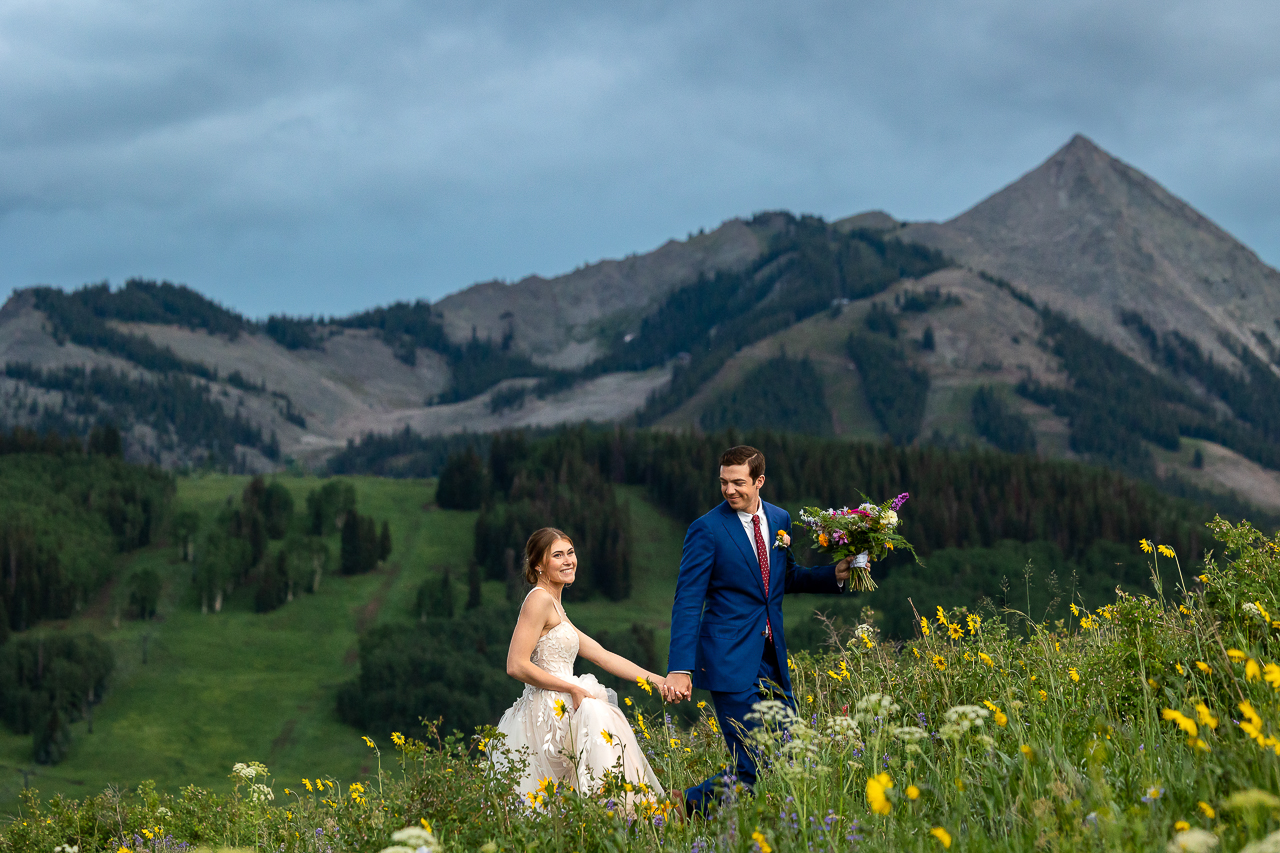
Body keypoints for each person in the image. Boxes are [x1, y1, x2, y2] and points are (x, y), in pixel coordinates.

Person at [662, 445, 855, 815]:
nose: (729, 490)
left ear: (759, 481)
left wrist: (835, 574)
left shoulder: (780, 519)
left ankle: (744, 817)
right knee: (755, 761)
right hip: (728, 661)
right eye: (723, 483)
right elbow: (688, 601)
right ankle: (680, 810)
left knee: (793, 751)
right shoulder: (706, 530)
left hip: (771, 659)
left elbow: (784, 577)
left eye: (738, 483)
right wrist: (680, 667)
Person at [493, 527, 666, 807]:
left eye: (570, 553)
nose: (568, 561)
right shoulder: (538, 599)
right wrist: (571, 687)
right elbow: (515, 665)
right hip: (546, 713)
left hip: (563, 703)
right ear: (538, 565)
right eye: (557, 555)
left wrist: (659, 680)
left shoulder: (555, 606)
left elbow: (602, 655)